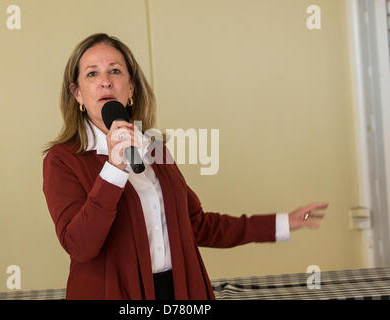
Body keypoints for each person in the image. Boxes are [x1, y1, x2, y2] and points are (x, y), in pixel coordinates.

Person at [42, 33, 328, 300]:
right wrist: (114, 169)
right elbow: (80, 246)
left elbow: (198, 225)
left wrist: (280, 223)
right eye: (92, 73)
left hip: (179, 292)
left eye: (115, 70)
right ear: (77, 94)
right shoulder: (62, 160)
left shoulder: (153, 148)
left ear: (131, 89)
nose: (105, 81)